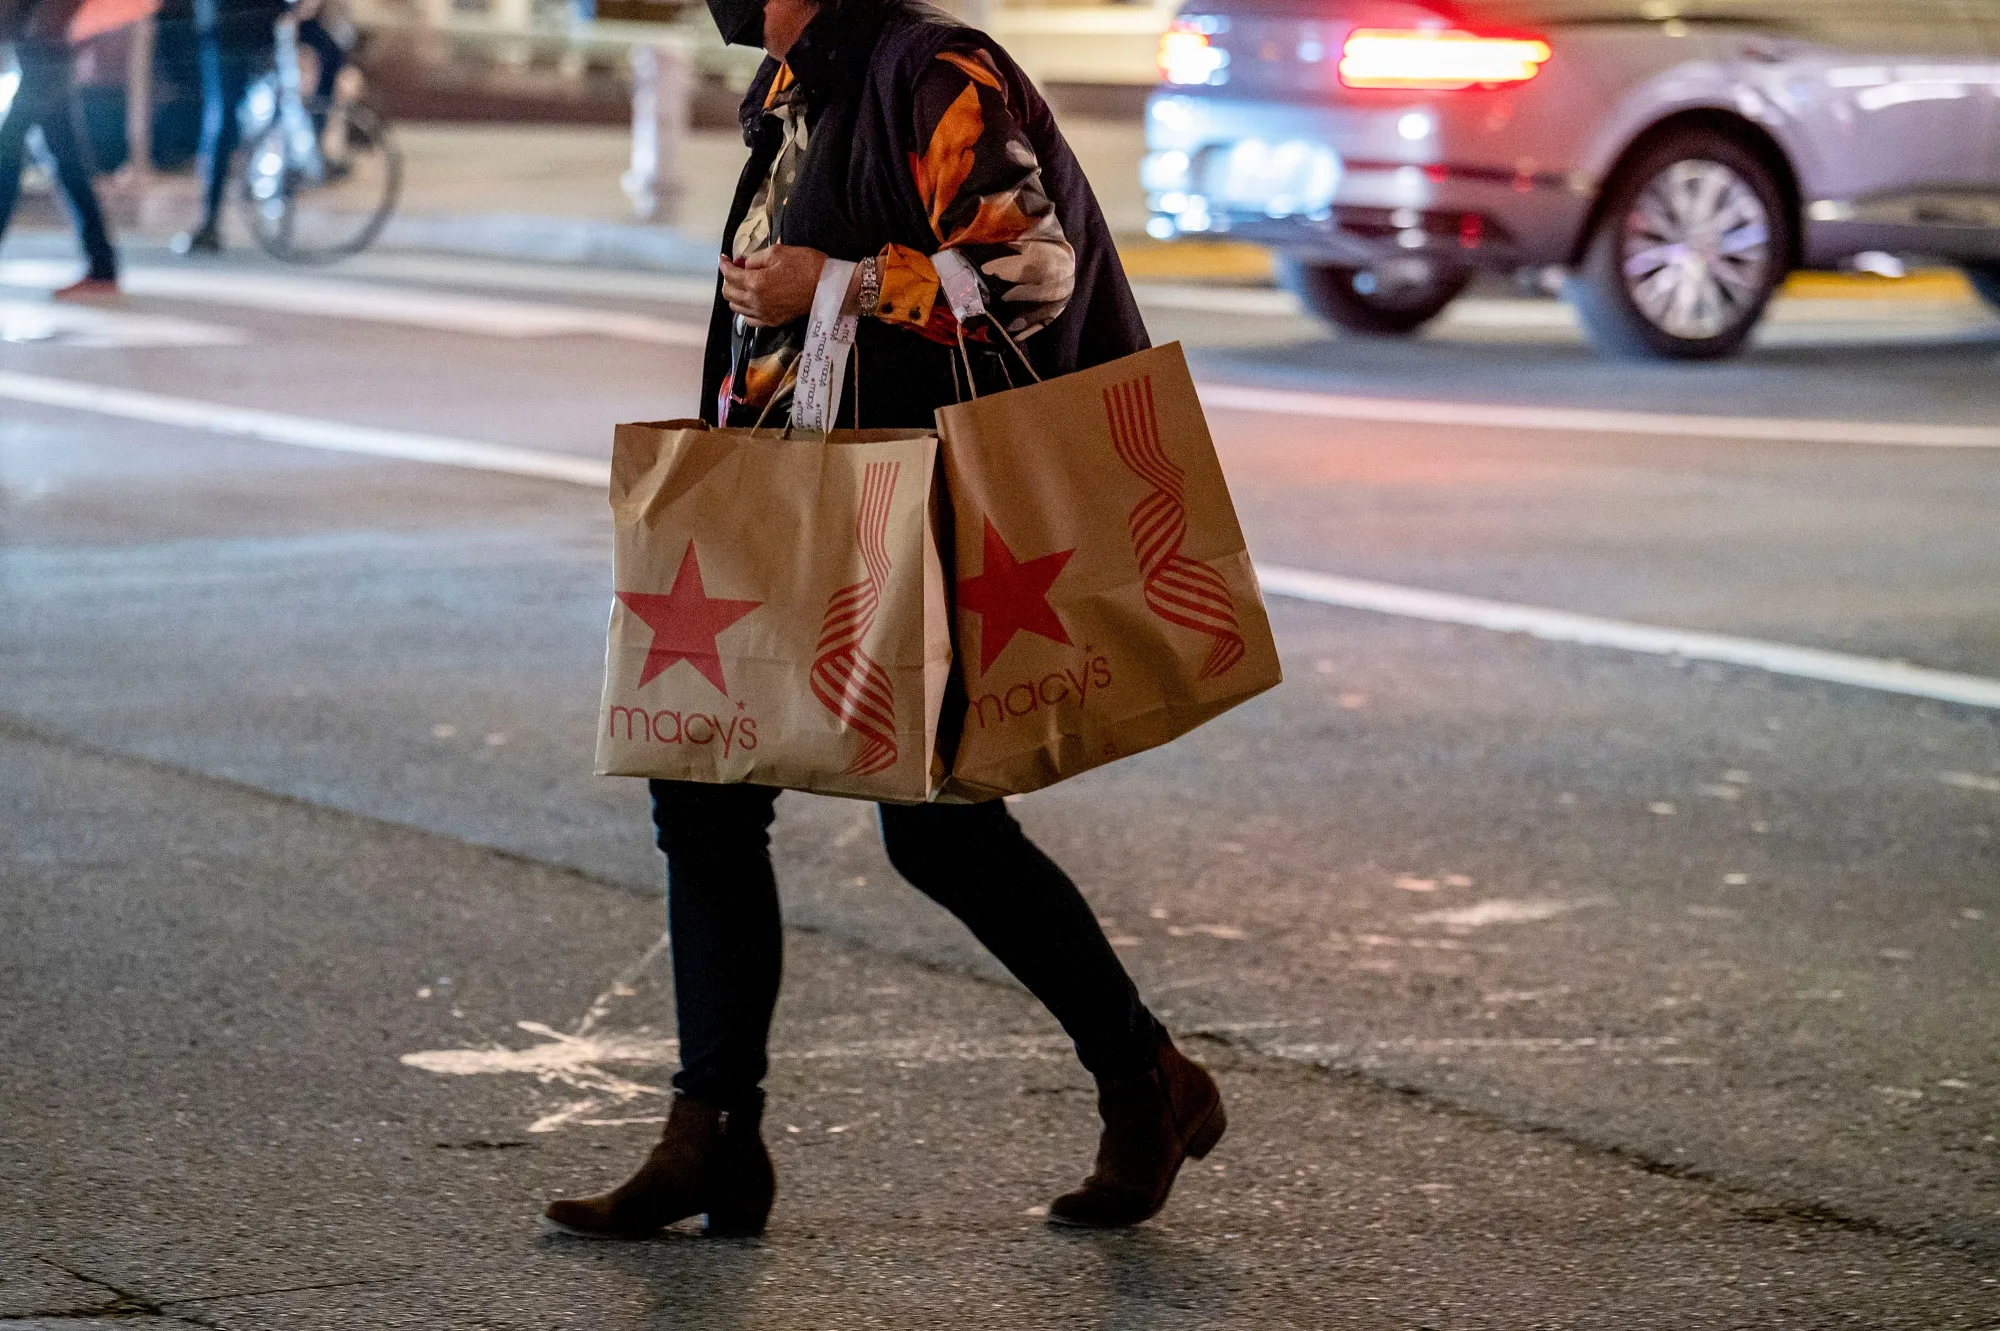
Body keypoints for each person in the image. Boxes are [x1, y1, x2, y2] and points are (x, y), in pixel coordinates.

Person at [543, 0, 1226, 1240]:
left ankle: (1145, 1079)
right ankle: (714, 1136)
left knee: (941, 835)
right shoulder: (801, 84)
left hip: (911, 508)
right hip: (800, 487)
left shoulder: (933, 73)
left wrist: (833, 281)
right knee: (698, 783)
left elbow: (1032, 273)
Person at [0, 0, 120, 297]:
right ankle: (103, 264)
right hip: (43, 54)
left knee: (7, 158)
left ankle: (103, 264)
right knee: (68, 164)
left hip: (44, 56)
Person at [171, 0, 285, 253]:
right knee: (228, 115)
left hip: (229, 24)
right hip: (252, 21)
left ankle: (209, 221)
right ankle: (211, 218)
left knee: (222, 115)